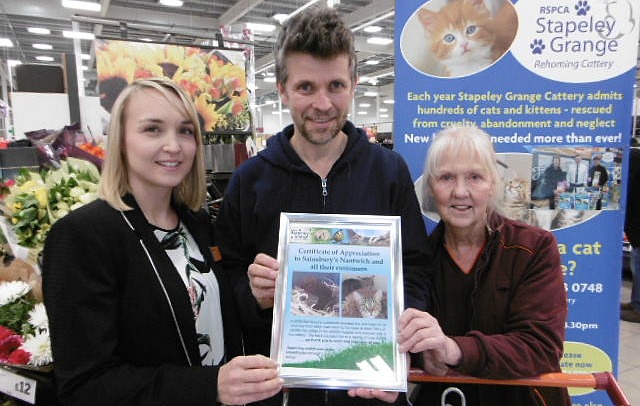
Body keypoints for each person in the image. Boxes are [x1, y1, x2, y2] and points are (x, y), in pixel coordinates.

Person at [214, 7, 429, 406]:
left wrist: (400, 336)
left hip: (369, 387)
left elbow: (415, 266)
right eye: (306, 87)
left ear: (354, 84)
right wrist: (252, 294)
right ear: (282, 89)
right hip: (278, 392)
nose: (323, 103)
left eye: (335, 85)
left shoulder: (388, 171)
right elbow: (224, 281)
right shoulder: (251, 180)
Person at [42, 78, 283, 406]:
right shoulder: (84, 236)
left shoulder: (196, 224)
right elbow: (84, 384)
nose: (174, 145)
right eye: (153, 129)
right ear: (121, 140)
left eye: (185, 131)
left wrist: (257, 295)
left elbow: (210, 320)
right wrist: (210, 386)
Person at [398, 127, 570, 406]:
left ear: (493, 183)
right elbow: (407, 338)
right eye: (446, 177)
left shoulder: (533, 248)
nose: (460, 192)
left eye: (474, 177)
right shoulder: (419, 259)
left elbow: (540, 348)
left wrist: (454, 349)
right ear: (431, 187)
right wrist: (417, 353)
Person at [622, 145, 640, 322]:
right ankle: (635, 302)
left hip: (637, 230)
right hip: (635, 230)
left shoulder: (634, 157)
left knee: (638, 266)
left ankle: (638, 307)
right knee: (636, 266)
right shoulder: (634, 156)